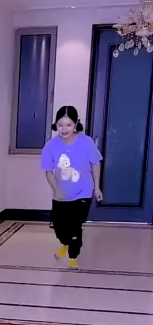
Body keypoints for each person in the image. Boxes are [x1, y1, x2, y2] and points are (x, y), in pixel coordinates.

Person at [41, 105, 103, 270]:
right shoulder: (51, 146)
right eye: (60, 125)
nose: (64, 129)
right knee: (60, 228)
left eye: (68, 125)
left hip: (83, 192)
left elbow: (95, 165)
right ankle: (65, 243)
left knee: (75, 226)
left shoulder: (86, 142)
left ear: (76, 124)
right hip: (61, 195)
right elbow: (48, 172)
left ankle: (73, 258)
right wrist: (57, 190)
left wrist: (97, 188)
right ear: (55, 124)